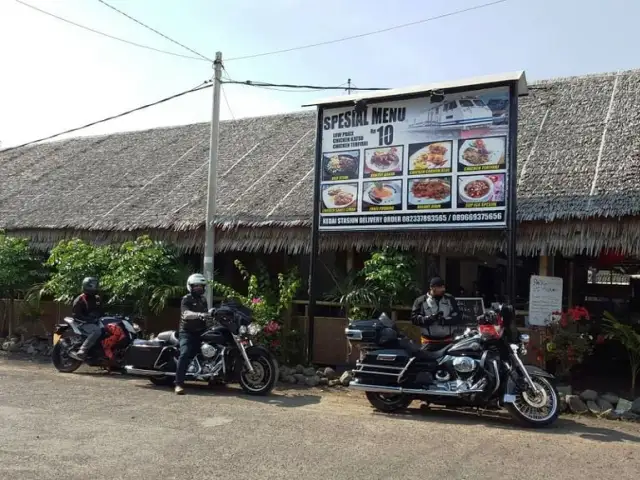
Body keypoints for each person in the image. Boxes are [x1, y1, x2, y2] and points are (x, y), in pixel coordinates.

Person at [175, 273, 210, 395]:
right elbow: (186, 314)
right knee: (184, 354)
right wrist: (199, 315)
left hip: (201, 331)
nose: (199, 288)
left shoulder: (203, 300)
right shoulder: (186, 299)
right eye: (196, 286)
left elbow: (207, 315)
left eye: (201, 286)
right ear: (190, 286)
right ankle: (179, 384)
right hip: (187, 332)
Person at [410, 277, 461, 346]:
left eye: (443, 287)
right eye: (440, 287)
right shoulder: (420, 301)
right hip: (428, 342)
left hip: (447, 341)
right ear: (432, 288)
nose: (443, 289)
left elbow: (458, 316)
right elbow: (414, 318)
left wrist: (445, 320)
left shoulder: (450, 299)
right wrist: (430, 319)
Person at [69, 277, 104, 361]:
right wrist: (89, 320)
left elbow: (101, 311)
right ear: (86, 285)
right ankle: (82, 350)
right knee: (96, 331)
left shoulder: (97, 298)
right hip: (82, 323)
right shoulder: (80, 299)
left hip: (95, 321)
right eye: (92, 285)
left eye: (95, 285)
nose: (94, 287)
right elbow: (76, 315)